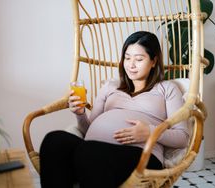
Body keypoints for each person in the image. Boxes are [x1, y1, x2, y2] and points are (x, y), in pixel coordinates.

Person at [39, 31, 189, 188]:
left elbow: (183, 137)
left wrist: (150, 132)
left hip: (141, 158)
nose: (131, 65)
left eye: (139, 59)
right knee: (54, 140)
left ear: (153, 61)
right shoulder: (110, 86)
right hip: (91, 152)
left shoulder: (167, 89)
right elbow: (87, 129)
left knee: (90, 152)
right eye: (127, 57)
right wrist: (80, 114)